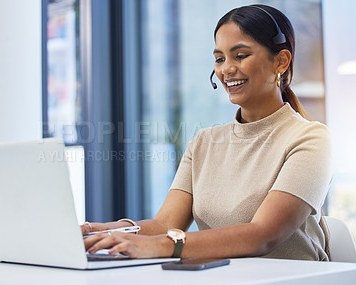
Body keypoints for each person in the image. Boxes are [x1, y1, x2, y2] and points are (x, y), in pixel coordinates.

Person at [82, 4, 333, 261]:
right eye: (220, 58)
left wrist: (161, 246)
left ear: (281, 61)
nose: (226, 69)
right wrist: (96, 232)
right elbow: (163, 225)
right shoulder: (204, 142)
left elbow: (263, 235)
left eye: (241, 55)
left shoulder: (310, 139)